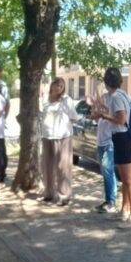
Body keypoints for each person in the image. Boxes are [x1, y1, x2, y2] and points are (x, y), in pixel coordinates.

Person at [92, 68, 131, 226]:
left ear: (105, 82)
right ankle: (124, 211)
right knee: (125, 180)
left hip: (123, 138)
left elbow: (121, 119)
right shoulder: (120, 94)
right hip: (120, 138)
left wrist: (103, 116)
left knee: (129, 180)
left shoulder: (117, 97)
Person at [40, 77, 79, 206]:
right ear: (52, 86)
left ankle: (64, 195)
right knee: (47, 166)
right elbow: (41, 115)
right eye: (56, 85)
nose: (58, 88)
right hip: (47, 136)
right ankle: (48, 193)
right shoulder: (44, 99)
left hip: (63, 137)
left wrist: (63, 125)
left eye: (61, 86)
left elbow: (74, 117)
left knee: (63, 167)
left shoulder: (66, 100)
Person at [91, 86, 117, 214]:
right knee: (106, 172)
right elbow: (96, 116)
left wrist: (100, 104)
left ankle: (111, 201)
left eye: (99, 92)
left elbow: (112, 115)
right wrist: (94, 106)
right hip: (100, 142)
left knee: (108, 172)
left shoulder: (112, 100)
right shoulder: (102, 102)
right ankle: (109, 200)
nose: (98, 94)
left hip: (109, 142)